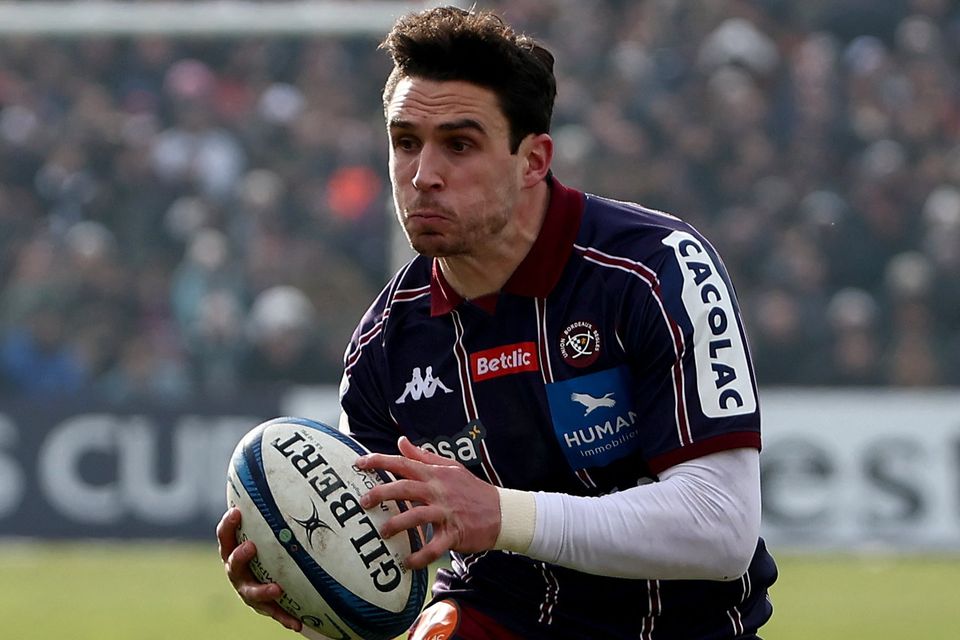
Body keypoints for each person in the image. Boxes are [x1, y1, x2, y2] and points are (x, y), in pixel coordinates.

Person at [217, 6, 777, 639]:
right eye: (405, 142)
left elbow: (722, 525)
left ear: (533, 160)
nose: (423, 176)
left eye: (459, 144)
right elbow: (383, 563)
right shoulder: (383, 349)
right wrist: (307, 585)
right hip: (493, 619)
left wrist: (499, 514)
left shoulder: (656, 269)